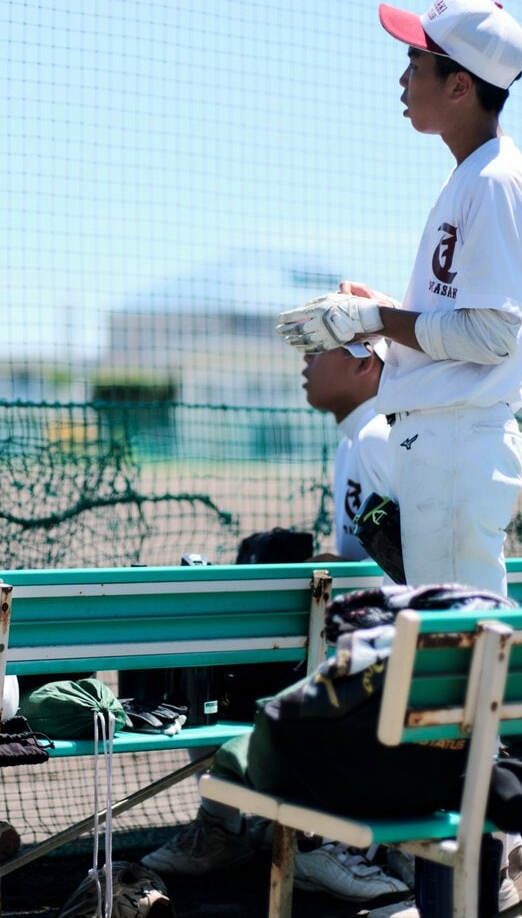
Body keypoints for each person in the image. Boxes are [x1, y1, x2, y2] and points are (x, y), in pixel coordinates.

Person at [277, 0, 522, 599]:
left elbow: (491, 335)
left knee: (461, 637)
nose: (403, 79)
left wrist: (373, 317)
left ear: (460, 85)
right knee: (451, 632)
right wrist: (375, 314)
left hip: (456, 440)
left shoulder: (493, 180)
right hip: (445, 442)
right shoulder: (477, 174)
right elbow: (463, 321)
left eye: (416, 64)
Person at [140, 342, 410, 906]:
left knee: (207, 662)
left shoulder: (375, 436)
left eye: (318, 351)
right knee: (216, 664)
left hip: (375, 654)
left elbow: (397, 566)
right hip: (370, 645)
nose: (306, 363)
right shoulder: (360, 437)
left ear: (365, 363)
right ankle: (245, 826)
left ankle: (261, 831)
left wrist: (310, 572)